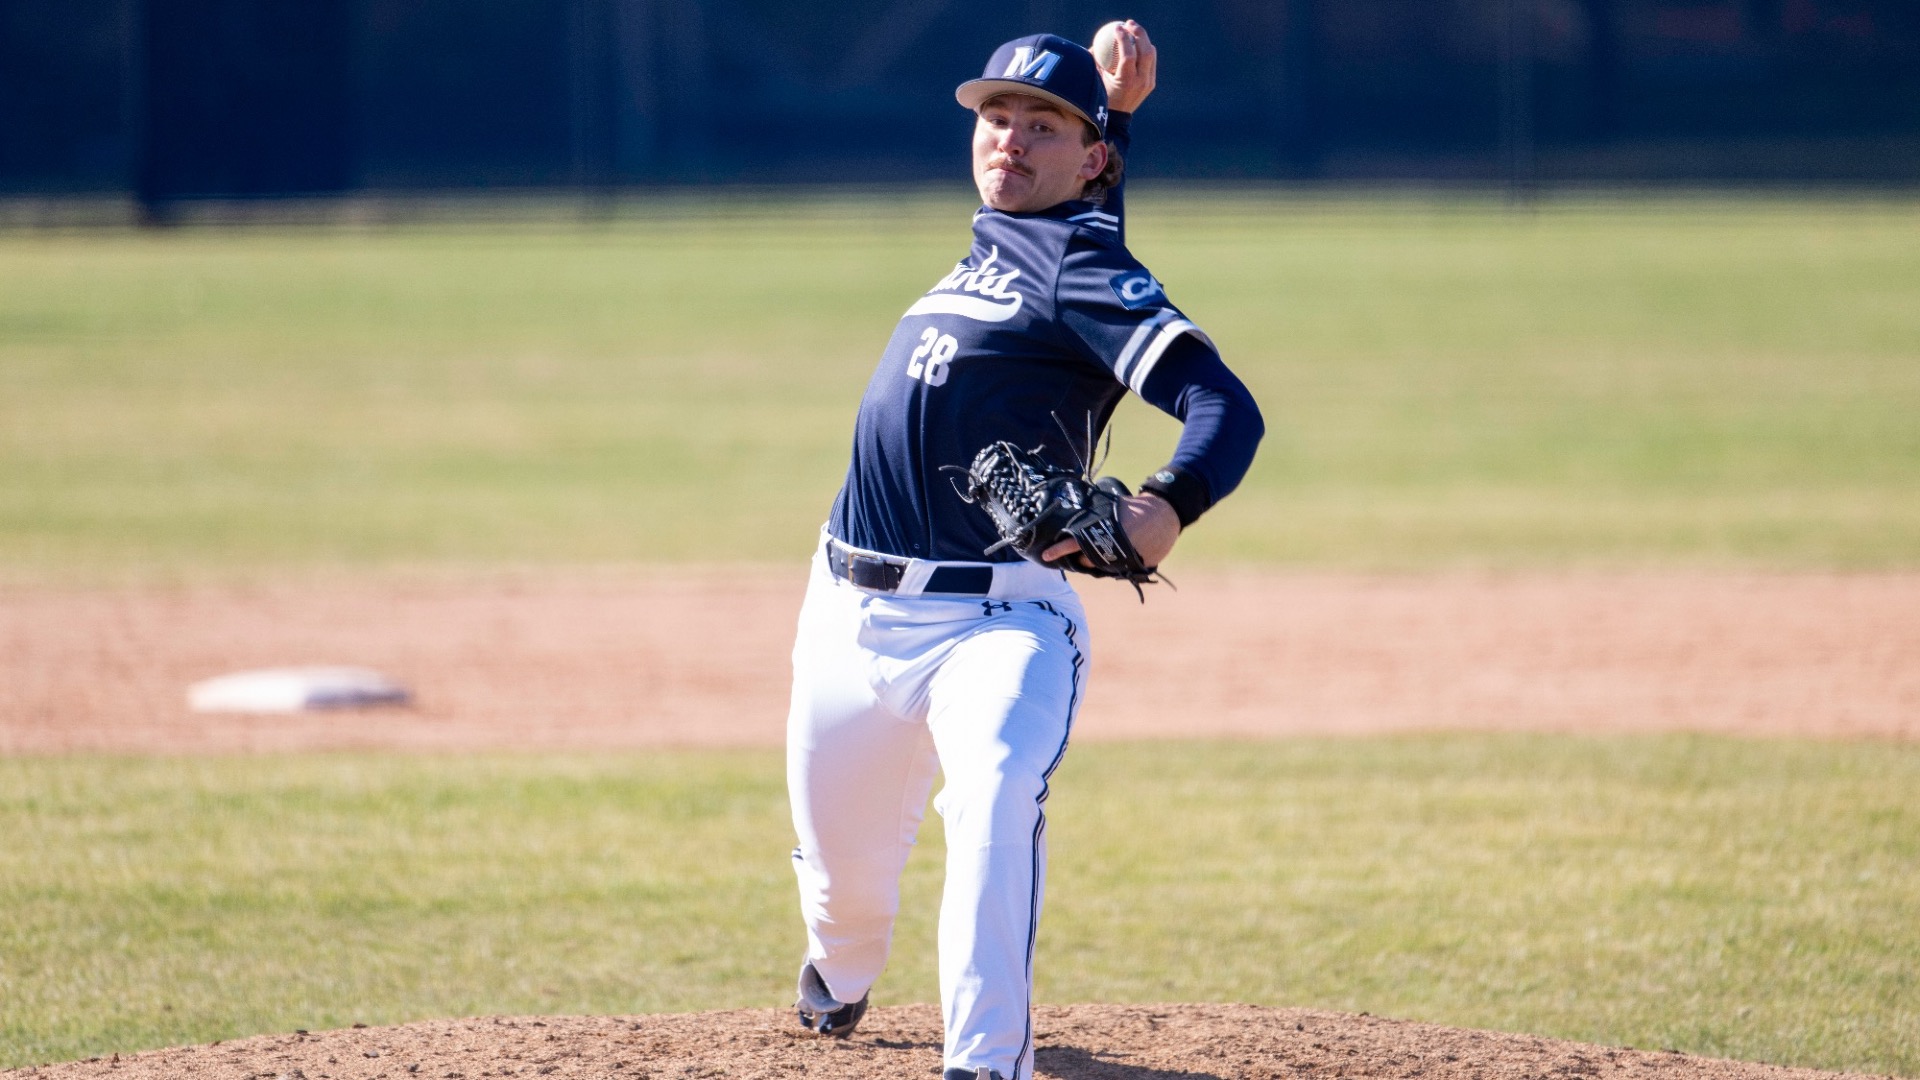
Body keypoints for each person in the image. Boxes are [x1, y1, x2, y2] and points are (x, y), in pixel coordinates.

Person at [784, 23, 1264, 1080]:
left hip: (997, 619)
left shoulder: (1078, 259)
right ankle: (842, 967)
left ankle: (984, 1062)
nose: (1009, 137)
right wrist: (1113, 117)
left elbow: (1226, 408)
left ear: (1086, 161)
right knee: (843, 896)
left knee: (997, 796)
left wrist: (1166, 505)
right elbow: (1075, 240)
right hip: (846, 613)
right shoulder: (1018, 239)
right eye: (997, 116)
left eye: (1043, 125)